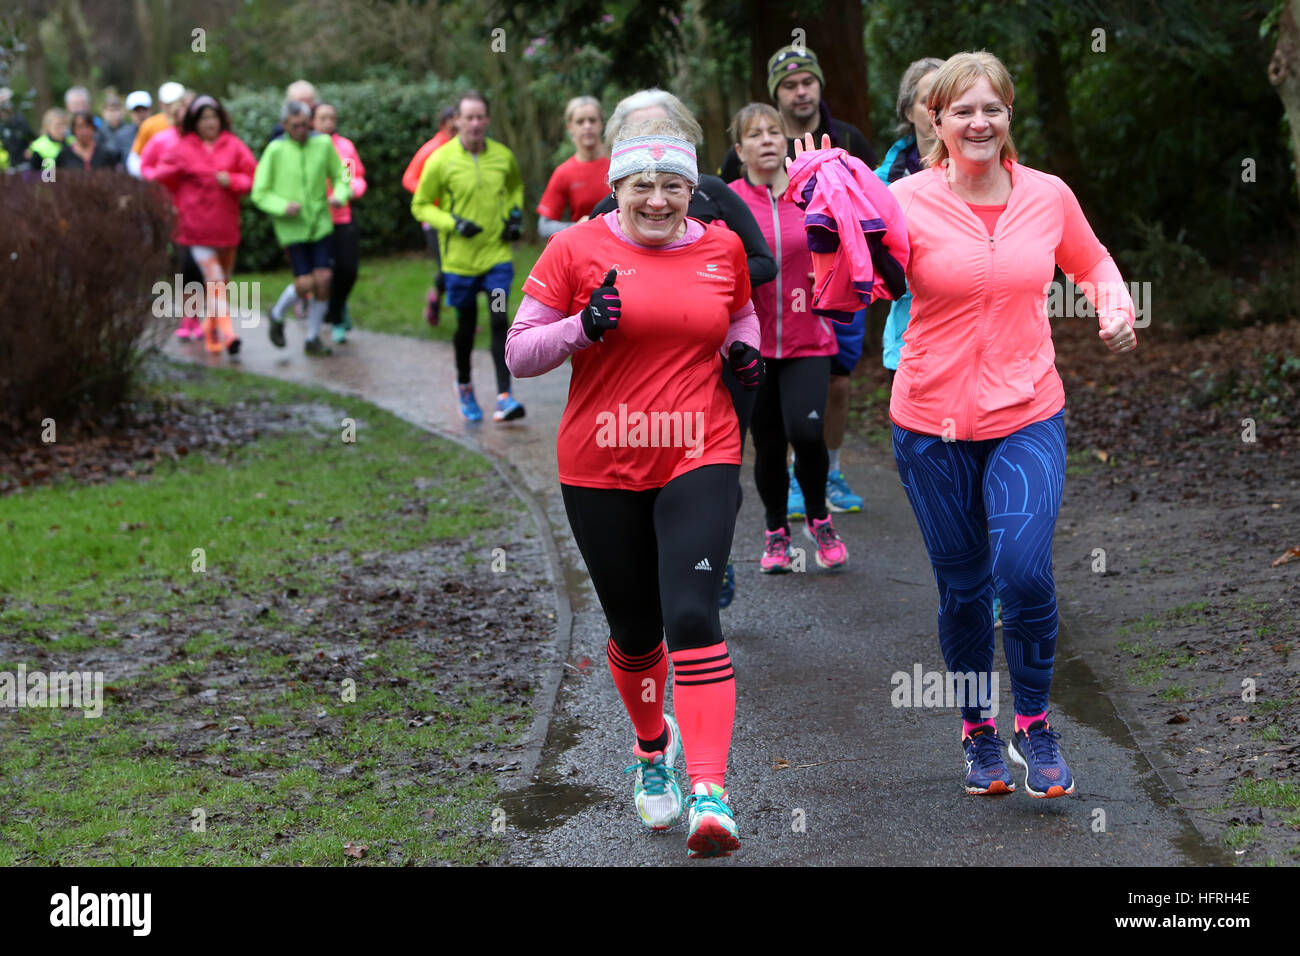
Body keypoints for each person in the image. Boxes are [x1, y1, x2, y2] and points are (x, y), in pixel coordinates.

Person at [844, 51, 1134, 797]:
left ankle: (1033, 721)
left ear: (1009, 116)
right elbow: (858, 280)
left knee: (1025, 572)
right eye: (961, 110)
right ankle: (976, 728)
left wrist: (1115, 308)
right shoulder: (901, 199)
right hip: (930, 423)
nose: (978, 122)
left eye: (992, 108)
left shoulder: (1048, 196)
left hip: (1026, 410)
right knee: (965, 589)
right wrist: (845, 237)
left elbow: (1092, 261)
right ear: (934, 120)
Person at [506, 116, 762, 858]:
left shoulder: (721, 248)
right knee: (635, 633)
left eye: (673, 185)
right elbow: (521, 352)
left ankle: (710, 793)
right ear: (615, 187)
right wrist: (582, 328)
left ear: (693, 188)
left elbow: (739, 314)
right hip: (601, 462)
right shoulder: (574, 249)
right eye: (641, 185)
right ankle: (654, 750)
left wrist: (743, 355)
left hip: (698, 451)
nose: (658, 200)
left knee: (691, 615)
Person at [587, 88, 777, 609]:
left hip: (721, 362)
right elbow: (579, 293)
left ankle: (708, 559)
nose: (658, 197)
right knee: (650, 473)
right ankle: (663, 564)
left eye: (664, 132)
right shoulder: (610, 209)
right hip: (644, 379)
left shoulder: (712, 192)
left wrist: (704, 272)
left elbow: (762, 262)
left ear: (686, 137)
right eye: (639, 137)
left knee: (716, 470)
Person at [721, 45, 877, 522]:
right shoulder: (746, 155)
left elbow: (873, 208)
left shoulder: (847, 138)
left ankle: (830, 469)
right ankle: (790, 482)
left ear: (819, 86)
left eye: (807, 81)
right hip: (770, 310)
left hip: (839, 293)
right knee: (776, 416)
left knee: (837, 381)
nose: (800, 91)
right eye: (789, 85)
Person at [727, 102, 847, 572]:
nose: (766, 140)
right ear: (740, 149)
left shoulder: (812, 192)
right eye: (754, 134)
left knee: (807, 430)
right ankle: (776, 531)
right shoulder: (729, 201)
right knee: (770, 443)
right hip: (753, 343)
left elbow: (843, 245)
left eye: (774, 131)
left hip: (808, 337)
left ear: (785, 140)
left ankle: (818, 517)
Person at [411, 90, 525, 422]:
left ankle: (505, 396)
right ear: (457, 121)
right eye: (468, 117)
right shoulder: (440, 160)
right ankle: (464, 386)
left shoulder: (503, 156)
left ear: (487, 120)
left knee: (499, 319)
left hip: (496, 260)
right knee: (466, 324)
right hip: (459, 263)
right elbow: (419, 205)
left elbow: (516, 186)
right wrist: (453, 223)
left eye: (480, 117)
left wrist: (514, 214)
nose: (474, 124)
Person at [154, 95, 256, 355]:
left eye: (213, 117)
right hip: (195, 229)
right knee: (215, 280)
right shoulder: (183, 147)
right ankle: (229, 334)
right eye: (204, 118)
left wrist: (232, 181)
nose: (210, 123)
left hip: (225, 229)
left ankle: (211, 328)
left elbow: (253, 178)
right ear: (194, 123)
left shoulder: (233, 145)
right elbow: (160, 176)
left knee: (220, 284)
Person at [252, 98, 350, 356]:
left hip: (320, 222)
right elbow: (259, 192)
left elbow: (343, 175)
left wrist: (341, 193)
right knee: (305, 283)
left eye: (306, 125)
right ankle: (277, 313)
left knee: (324, 279)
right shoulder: (275, 151)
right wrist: (283, 206)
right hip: (292, 227)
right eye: (295, 126)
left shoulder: (323, 144)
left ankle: (313, 337)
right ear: (285, 125)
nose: (302, 131)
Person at [313, 101, 367, 345]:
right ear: (313, 121)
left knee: (348, 270)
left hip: (343, 217)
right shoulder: (308, 148)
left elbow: (354, 178)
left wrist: (349, 192)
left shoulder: (345, 147)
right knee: (325, 273)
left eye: (332, 118)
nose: (328, 123)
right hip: (316, 220)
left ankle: (337, 306)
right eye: (323, 118)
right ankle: (336, 318)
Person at [403, 105, 457, 325]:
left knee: (457, 268)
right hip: (434, 220)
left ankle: (446, 304)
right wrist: (430, 193)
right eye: (453, 123)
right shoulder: (431, 150)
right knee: (448, 268)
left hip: (459, 218)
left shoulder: (465, 150)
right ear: (443, 125)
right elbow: (409, 179)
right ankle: (441, 304)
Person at [536, 96, 610, 237]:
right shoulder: (564, 172)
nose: (587, 126)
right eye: (580, 122)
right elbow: (544, 226)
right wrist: (576, 227)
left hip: (624, 249)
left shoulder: (620, 164)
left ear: (601, 124)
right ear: (570, 127)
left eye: (592, 120)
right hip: (585, 249)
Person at [129, 81, 185, 176]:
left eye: (178, 103)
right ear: (161, 104)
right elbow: (135, 159)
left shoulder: (194, 124)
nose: (174, 108)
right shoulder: (149, 125)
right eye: (169, 104)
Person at [139, 89, 195, 181]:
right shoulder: (159, 137)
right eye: (185, 108)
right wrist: (157, 176)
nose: (189, 112)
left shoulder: (205, 138)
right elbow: (144, 164)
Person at [55, 111, 121, 170]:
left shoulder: (105, 153)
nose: (84, 131)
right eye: (80, 127)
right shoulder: (64, 155)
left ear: (93, 128)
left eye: (88, 126)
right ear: (73, 129)